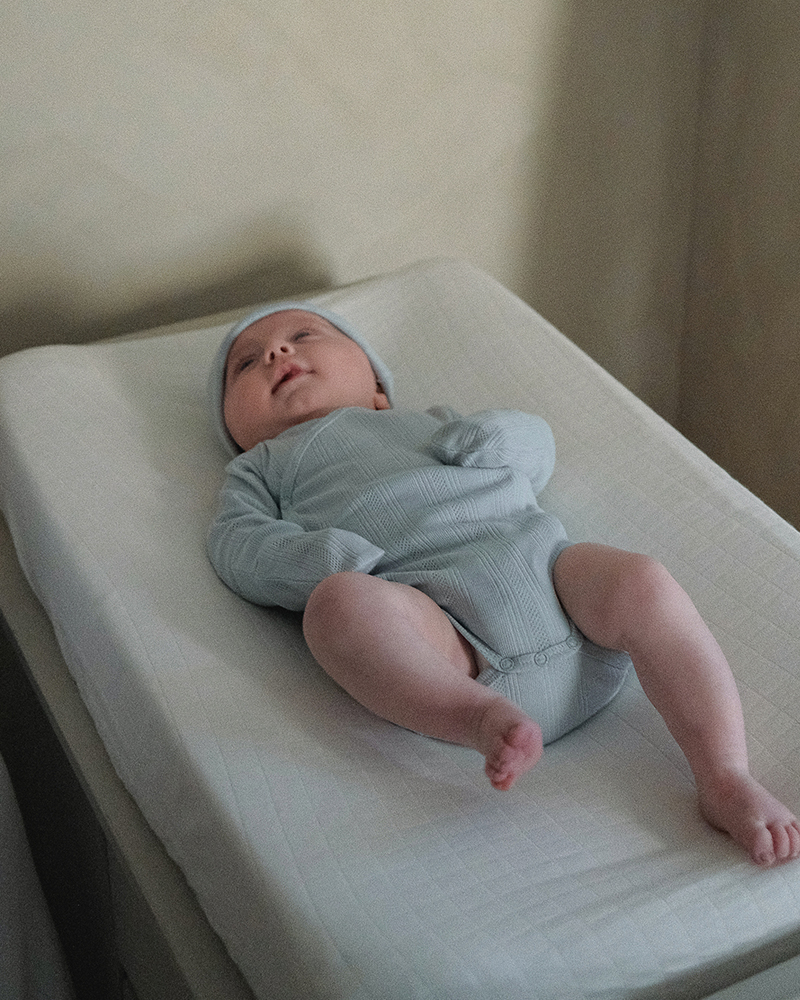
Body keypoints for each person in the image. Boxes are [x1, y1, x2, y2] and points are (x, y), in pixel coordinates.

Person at [207, 302, 800, 868]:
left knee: (641, 581)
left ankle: (725, 775)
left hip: (560, 591)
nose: (277, 353)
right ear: (237, 431)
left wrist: (494, 437)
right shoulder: (261, 468)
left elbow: (536, 448)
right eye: (245, 364)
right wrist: (322, 556)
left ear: (378, 386)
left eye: (303, 336)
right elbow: (236, 544)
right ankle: (479, 721)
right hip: (449, 644)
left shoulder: (431, 421)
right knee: (337, 606)